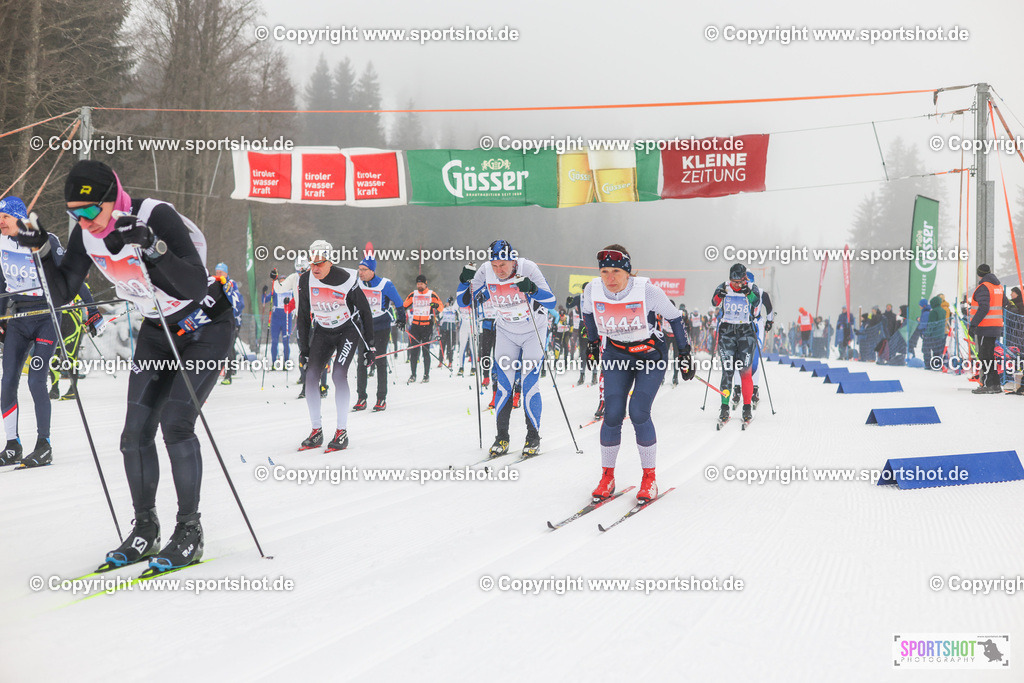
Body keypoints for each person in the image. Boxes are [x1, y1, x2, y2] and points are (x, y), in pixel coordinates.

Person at [16, 159, 233, 571]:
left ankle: (189, 530)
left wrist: (152, 246)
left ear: (112, 198)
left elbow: (192, 283)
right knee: (133, 434)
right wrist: (41, 248)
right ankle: (145, 528)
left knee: (176, 424)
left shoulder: (155, 216)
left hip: (205, 323)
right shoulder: (85, 233)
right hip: (157, 328)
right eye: (73, 214)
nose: (83, 220)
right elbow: (63, 293)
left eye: (88, 211)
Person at [584, 245, 694, 503]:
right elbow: (588, 314)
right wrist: (591, 343)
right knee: (611, 414)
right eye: (604, 272)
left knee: (638, 412)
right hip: (616, 354)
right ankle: (607, 476)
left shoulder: (647, 291)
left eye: (615, 272)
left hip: (649, 356)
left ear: (628, 272)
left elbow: (675, 318)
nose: (609, 278)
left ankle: (649, 478)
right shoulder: (593, 289)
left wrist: (684, 354)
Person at [457, 240, 555, 456]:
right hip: (506, 332)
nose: (498, 271)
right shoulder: (485, 270)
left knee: (530, 384)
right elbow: (465, 302)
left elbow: (551, 301)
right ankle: (502, 438)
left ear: (513, 260)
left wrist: (533, 289)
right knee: (503, 385)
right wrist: (464, 282)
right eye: (495, 265)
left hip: (533, 332)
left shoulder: (528, 267)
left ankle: (533, 437)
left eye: (503, 265)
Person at [0, 196, 68, 467]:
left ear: (19, 217)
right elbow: (1, 282)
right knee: (7, 382)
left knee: (36, 381)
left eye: (5, 216)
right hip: (19, 316)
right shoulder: (1, 242)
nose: (0, 222)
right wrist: (2, 318)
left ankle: (44, 445)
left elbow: (66, 276)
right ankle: (12, 444)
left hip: (46, 316)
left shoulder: (44, 238)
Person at [295, 240, 375, 450]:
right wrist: (303, 349)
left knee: (338, 374)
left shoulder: (347, 278)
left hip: (347, 330)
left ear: (330, 261)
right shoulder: (305, 280)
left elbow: (365, 311)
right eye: (312, 263)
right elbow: (302, 315)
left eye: (320, 263)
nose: (315, 268)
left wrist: (370, 346)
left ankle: (341, 431)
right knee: (311, 376)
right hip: (322, 330)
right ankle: (316, 431)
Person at [712, 263, 762, 425]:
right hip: (727, 332)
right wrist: (719, 295)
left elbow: (755, 303)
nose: (736, 285)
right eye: (733, 282)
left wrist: (748, 294)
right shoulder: (724, 286)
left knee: (745, 372)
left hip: (746, 332)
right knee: (727, 371)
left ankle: (747, 408)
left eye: (739, 282)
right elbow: (714, 302)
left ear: (744, 278)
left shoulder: (751, 287)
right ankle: (724, 408)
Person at [354, 254, 404, 411]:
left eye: (364, 270)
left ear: (372, 270)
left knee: (380, 361)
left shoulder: (385, 284)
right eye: (359, 269)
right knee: (362, 363)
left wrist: (401, 318)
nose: (360, 273)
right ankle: (361, 398)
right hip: (363, 328)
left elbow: (399, 302)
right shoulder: (357, 284)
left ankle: (381, 398)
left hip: (381, 327)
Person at [969, 264, 1006, 394]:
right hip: (995, 326)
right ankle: (995, 384)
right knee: (989, 355)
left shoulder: (984, 287)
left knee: (984, 355)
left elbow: (984, 307)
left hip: (985, 326)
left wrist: (973, 325)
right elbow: (1004, 303)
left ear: (979, 274)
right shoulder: (998, 287)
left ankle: (988, 384)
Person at [403, 275, 443, 383]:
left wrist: (435, 305)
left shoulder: (431, 294)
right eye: (418, 284)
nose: (419, 285)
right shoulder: (413, 294)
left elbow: (440, 306)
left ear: (426, 284)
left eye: (421, 283)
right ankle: (413, 375)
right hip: (415, 326)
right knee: (414, 351)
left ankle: (426, 375)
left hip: (427, 326)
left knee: (426, 351)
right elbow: (404, 305)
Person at [262, 265, 297, 369]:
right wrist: (263, 293)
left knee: (286, 341)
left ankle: (286, 362)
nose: (282, 283)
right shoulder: (275, 291)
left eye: (284, 281)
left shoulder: (291, 291)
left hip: (287, 317)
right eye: (280, 281)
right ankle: (274, 363)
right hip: (276, 319)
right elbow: (264, 301)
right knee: (274, 341)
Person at [216, 262, 245, 385]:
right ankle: (231, 369)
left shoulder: (230, 284)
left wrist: (234, 315)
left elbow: (239, 303)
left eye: (220, 272)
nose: (218, 274)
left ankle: (228, 374)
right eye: (217, 272)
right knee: (225, 347)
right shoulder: (215, 283)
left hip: (233, 321)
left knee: (228, 347)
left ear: (226, 273)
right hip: (221, 321)